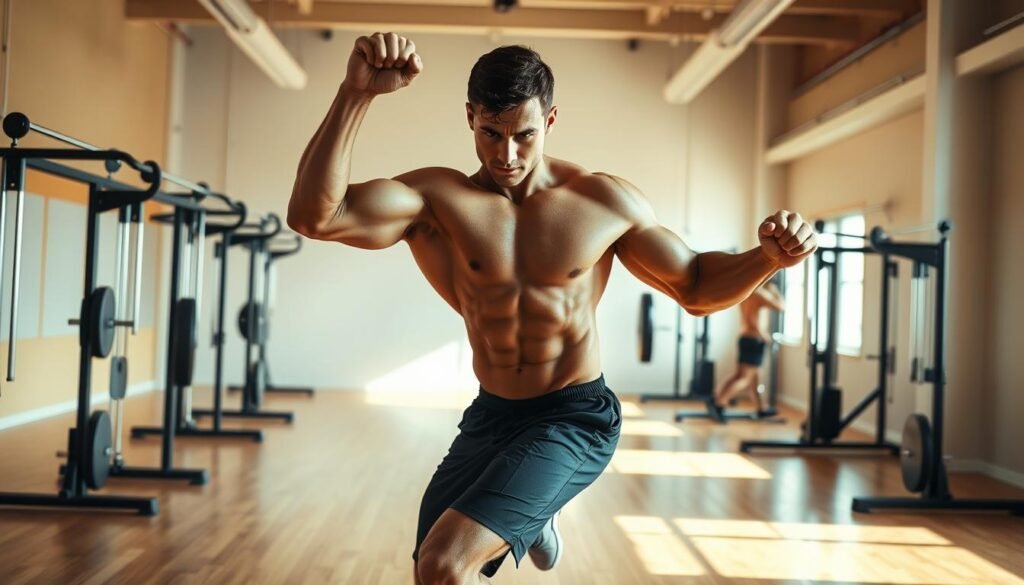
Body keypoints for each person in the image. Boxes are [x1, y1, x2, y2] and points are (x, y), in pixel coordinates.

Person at [287, 32, 818, 585]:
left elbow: (696, 287)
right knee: (429, 568)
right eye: (490, 133)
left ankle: (533, 503)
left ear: (551, 120)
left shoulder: (600, 201)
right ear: (470, 117)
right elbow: (316, 216)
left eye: (524, 135)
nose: (506, 155)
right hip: (492, 415)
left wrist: (767, 258)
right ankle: (533, 515)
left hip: (574, 416)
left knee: (447, 563)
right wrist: (356, 93)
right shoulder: (436, 202)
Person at [706, 282, 786, 422]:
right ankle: (719, 403)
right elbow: (781, 306)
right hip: (754, 339)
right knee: (745, 378)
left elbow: (751, 317)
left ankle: (761, 408)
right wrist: (774, 291)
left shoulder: (746, 291)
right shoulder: (760, 293)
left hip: (745, 337)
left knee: (750, 376)